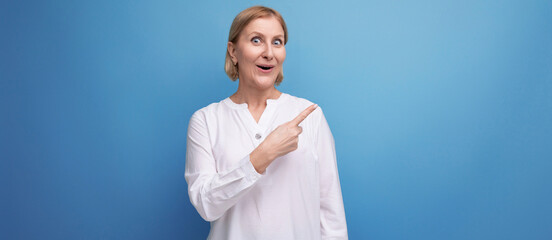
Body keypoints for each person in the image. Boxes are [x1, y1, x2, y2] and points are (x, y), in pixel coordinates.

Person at [185, 6, 348, 240]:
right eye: (256, 40)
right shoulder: (206, 121)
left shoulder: (309, 115)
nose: (269, 53)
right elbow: (206, 204)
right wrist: (263, 154)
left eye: (277, 42)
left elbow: (331, 215)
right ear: (233, 51)